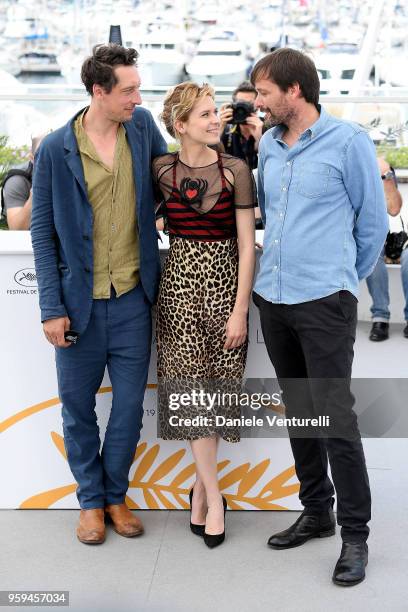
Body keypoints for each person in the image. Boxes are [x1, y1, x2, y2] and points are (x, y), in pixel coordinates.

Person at [251, 49, 388, 586]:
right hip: (274, 299)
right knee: (300, 411)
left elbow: (372, 225)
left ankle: (356, 535)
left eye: (264, 93)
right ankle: (317, 510)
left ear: (294, 91)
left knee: (335, 416)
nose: (258, 103)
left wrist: (339, 280)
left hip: (325, 301)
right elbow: (270, 214)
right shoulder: (268, 144)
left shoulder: (349, 142)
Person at [31, 43, 167, 545]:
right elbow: (42, 232)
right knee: (77, 408)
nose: (137, 96)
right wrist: (51, 308)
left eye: (137, 87)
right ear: (99, 92)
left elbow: (171, 182)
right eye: (128, 90)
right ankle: (90, 501)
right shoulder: (54, 149)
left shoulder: (143, 126)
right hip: (77, 304)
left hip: (133, 298)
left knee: (129, 410)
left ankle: (115, 496)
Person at [153, 82, 256, 548]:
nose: (217, 120)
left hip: (223, 289)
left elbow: (245, 247)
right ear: (180, 125)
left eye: (216, 112)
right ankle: (215, 498)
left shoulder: (236, 170)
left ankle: (200, 489)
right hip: (177, 291)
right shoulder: (160, 169)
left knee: (214, 395)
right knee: (190, 394)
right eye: (205, 115)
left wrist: (239, 310)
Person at [366, 158, 407, 341]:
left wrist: (386, 175)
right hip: (369, 237)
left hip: (395, 237)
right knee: (372, 256)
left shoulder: (384, 174)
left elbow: (394, 209)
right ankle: (380, 317)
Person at [1, 135, 45, 230]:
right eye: (42, 155)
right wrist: (37, 192)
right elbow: (17, 229)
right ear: (32, 158)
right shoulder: (17, 181)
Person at [219, 81, 264, 171]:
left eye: (249, 104)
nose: (244, 108)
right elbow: (213, 158)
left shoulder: (267, 128)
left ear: (257, 105)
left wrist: (260, 138)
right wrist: (219, 127)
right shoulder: (227, 129)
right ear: (233, 106)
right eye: (241, 103)